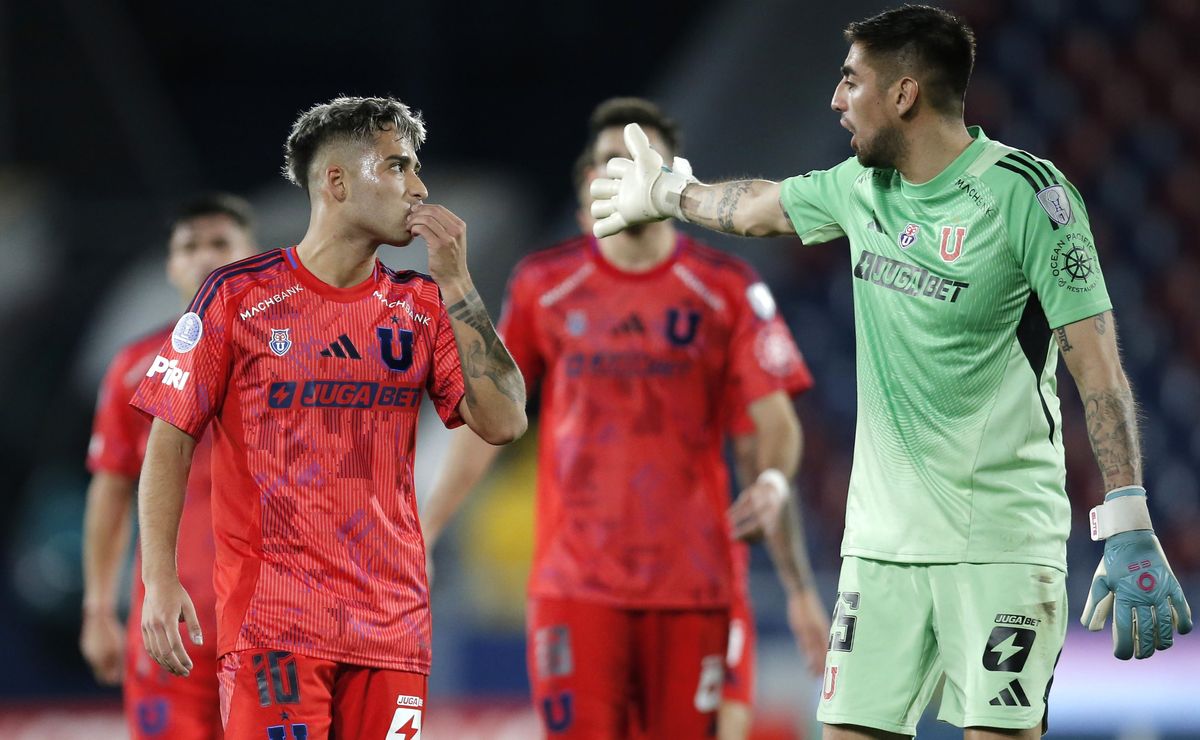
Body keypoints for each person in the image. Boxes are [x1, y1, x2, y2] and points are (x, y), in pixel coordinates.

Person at [590, 6, 1193, 739]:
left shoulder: (1029, 196)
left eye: (851, 82)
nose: (835, 101)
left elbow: (1099, 372)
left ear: (904, 94)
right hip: (879, 551)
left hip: (999, 545)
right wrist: (666, 195)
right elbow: (756, 207)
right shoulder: (857, 188)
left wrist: (1126, 516)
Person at [421, 97, 829, 738]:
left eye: (645, 163)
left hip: (695, 586)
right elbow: (493, 418)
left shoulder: (724, 289)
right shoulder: (543, 285)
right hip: (576, 587)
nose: (627, 174)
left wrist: (798, 583)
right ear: (587, 184)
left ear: (673, 182)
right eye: (613, 161)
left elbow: (768, 430)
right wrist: (427, 528)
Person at [130, 96, 527, 740]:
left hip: (392, 629)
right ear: (338, 182)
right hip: (274, 624)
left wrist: (458, 283)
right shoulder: (238, 296)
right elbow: (169, 442)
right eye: (398, 166)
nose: (419, 187)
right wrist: (158, 577)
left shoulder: (420, 306)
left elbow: (506, 420)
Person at [81, 194, 258, 740]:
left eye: (220, 243)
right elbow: (110, 491)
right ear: (170, 266)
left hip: (268, 621)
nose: (205, 256)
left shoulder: (290, 361)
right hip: (166, 622)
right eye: (190, 246)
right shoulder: (133, 368)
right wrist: (96, 608)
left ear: (252, 257)